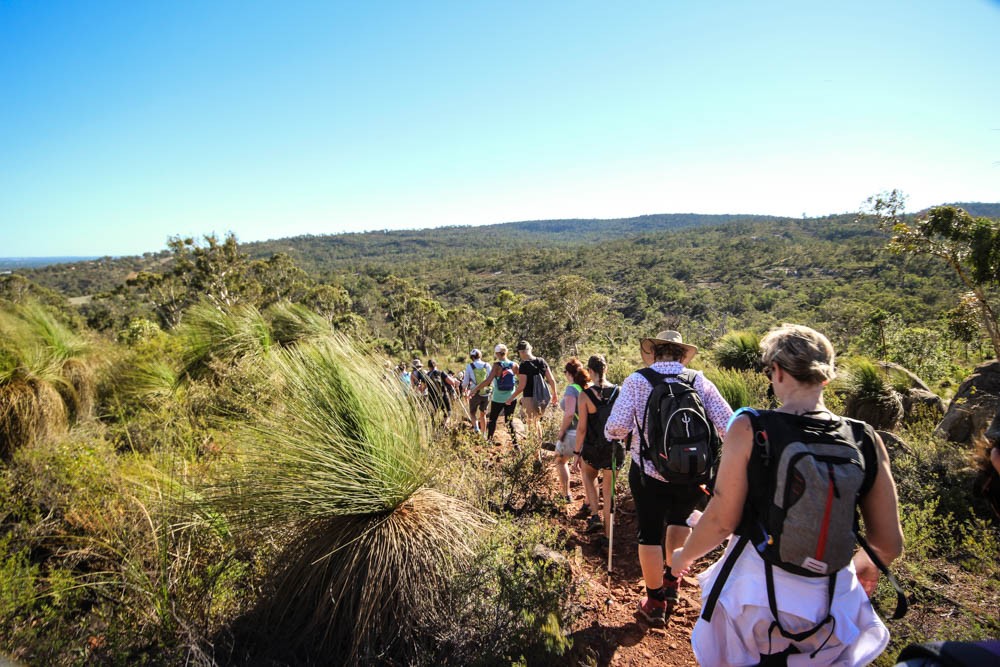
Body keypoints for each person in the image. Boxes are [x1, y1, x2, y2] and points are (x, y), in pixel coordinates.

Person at [671, 324, 904, 665]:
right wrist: (863, 569)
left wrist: (683, 556)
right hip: (832, 605)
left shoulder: (751, 426)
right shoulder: (864, 437)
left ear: (777, 371)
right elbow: (889, 542)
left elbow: (722, 520)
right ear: (826, 375)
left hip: (754, 596)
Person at [604, 330, 732, 626]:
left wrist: (618, 434)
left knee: (649, 533)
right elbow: (728, 424)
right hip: (693, 472)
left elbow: (615, 428)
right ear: (681, 355)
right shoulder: (698, 380)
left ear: (654, 353)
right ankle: (672, 580)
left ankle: (654, 601)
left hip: (649, 473)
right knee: (679, 521)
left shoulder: (637, 381)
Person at [575, 354, 625, 545]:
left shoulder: (585, 395)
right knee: (609, 492)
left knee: (588, 475)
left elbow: (582, 428)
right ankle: (608, 535)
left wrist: (576, 452)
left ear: (590, 372)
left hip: (593, 448)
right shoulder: (618, 392)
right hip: (614, 447)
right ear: (606, 369)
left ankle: (594, 514)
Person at [506, 340, 558, 443]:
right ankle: (537, 449)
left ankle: (535, 452)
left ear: (521, 352)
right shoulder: (541, 361)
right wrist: (555, 394)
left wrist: (511, 398)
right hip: (543, 397)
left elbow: (521, 386)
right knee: (537, 422)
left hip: (529, 398)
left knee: (531, 425)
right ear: (530, 349)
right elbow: (551, 380)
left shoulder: (524, 366)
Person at [553, 358, 589, 505]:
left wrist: (561, 432)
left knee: (560, 461)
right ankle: (589, 502)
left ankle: (566, 495)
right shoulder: (587, 387)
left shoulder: (572, 389)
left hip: (573, 433)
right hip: (588, 434)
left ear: (569, 373)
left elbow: (568, 414)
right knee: (586, 470)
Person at [471, 344, 520, 443]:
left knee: (493, 420)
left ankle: (489, 441)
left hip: (497, 398)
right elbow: (520, 379)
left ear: (497, 354)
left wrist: (475, 389)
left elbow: (488, 381)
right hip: (511, 397)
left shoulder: (496, 365)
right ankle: (516, 445)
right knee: (509, 422)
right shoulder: (514, 365)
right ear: (506, 352)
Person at [462, 349, 492, 436]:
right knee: (483, 414)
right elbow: (491, 379)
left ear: (472, 357)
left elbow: (466, 382)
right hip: (485, 393)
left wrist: (463, 388)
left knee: (472, 412)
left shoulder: (469, 366)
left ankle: (476, 429)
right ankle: (484, 434)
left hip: (474, 393)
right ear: (480, 356)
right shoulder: (487, 365)